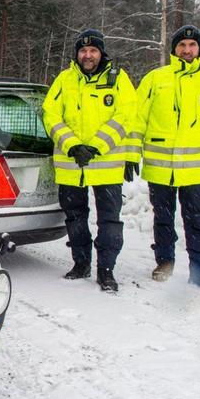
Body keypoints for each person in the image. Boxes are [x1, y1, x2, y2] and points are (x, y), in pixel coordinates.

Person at [135, 25, 200, 295]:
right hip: (161, 168)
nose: (187, 50)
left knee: (197, 221)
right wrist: (131, 154)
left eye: (192, 45)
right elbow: (137, 120)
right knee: (163, 218)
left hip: (196, 170)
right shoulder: (156, 78)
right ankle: (165, 261)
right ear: (174, 49)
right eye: (182, 45)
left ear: (199, 49)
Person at [42, 29, 140, 292]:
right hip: (71, 165)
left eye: (93, 50)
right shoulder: (64, 80)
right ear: (77, 54)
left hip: (106, 166)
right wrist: (72, 146)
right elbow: (50, 115)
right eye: (83, 50)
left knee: (109, 221)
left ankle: (106, 270)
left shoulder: (118, 79)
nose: (88, 55)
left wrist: (96, 146)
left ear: (101, 53)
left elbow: (126, 115)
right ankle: (81, 263)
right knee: (75, 218)